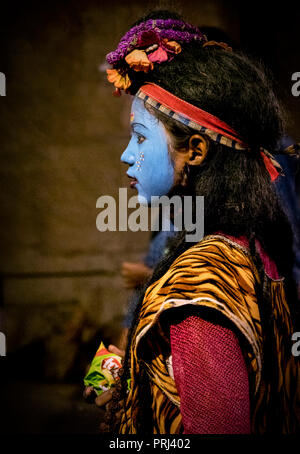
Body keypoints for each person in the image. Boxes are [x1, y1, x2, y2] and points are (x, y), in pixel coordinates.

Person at [93, 10, 300, 434]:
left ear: (197, 151)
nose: (126, 156)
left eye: (141, 137)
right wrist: (131, 383)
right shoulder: (249, 241)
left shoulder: (199, 290)